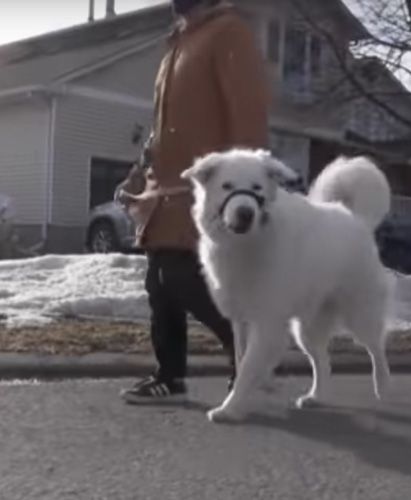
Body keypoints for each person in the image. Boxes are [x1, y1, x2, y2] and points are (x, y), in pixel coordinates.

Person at [117, 0, 270, 403]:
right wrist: (136, 177)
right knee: (160, 286)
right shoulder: (177, 44)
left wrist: (243, 189)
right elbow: (161, 131)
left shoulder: (228, 32)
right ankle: (171, 377)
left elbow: (248, 115)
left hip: (207, 191)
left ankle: (250, 356)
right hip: (163, 191)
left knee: (182, 279)